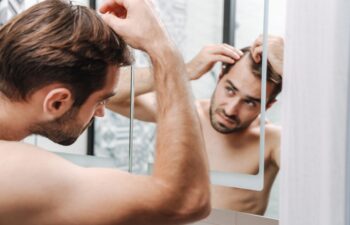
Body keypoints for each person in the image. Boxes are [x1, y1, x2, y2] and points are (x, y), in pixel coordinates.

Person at [0, 0, 211, 224]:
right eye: (101, 100)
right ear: (57, 103)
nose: (101, 112)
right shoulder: (14, 170)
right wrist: (162, 48)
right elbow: (187, 200)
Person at [107, 35, 284, 215]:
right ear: (220, 77)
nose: (231, 110)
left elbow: (312, 174)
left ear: (268, 105)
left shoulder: (271, 140)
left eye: (250, 102)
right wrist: (184, 70)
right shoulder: (188, 114)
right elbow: (108, 94)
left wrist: (288, 69)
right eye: (230, 90)